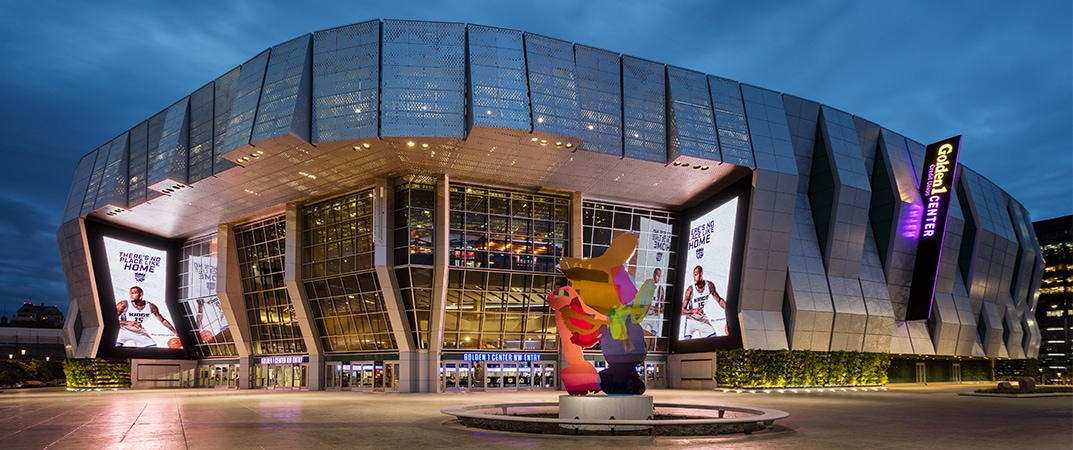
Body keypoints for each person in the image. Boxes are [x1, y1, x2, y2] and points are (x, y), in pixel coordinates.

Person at [681, 265, 728, 338]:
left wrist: (728, 308)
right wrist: (693, 311)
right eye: (694, 275)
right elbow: (682, 311)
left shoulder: (709, 285)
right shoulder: (690, 290)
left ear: (701, 274)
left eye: (696, 274)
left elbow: (719, 300)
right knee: (685, 343)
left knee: (714, 340)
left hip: (702, 319)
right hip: (691, 320)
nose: (694, 277)